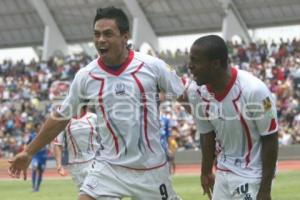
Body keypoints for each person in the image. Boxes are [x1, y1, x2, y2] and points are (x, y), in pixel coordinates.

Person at [8, 7, 184, 200]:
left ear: (125, 36)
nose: (100, 40)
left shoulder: (152, 66)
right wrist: (28, 152)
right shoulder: (86, 76)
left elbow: (185, 94)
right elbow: (61, 117)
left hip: (151, 169)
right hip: (109, 167)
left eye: (108, 34)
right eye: (97, 34)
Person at [186, 35, 278, 200]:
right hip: (223, 173)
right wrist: (206, 171)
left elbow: (270, 138)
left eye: (195, 61)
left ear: (215, 64)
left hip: (252, 176)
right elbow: (207, 134)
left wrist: (265, 190)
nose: (190, 66)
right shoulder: (196, 92)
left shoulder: (255, 91)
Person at [53, 106, 101, 189]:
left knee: (97, 192)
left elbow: (104, 138)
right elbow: (57, 143)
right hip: (76, 166)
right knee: (85, 193)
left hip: (95, 162)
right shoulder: (64, 121)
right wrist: (59, 164)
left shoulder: (94, 117)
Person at [26, 123, 48, 192]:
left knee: (41, 171)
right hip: (35, 155)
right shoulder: (32, 136)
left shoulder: (45, 135)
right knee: (34, 168)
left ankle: (37, 188)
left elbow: (48, 143)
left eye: (41, 127)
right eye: (39, 127)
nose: (40, 128)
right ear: (35, 128)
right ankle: (33, 187)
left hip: (43, 156)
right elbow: (27, 144)